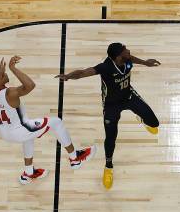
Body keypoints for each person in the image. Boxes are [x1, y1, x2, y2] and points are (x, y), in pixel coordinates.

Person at [56, 43, 160, 190]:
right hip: (111, 105)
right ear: (118, 57)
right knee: (111, 138)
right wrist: (68, 76)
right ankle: (108, 166)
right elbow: (83, 72)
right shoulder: (106, 67)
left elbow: (132, 58)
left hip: (129, 96)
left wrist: (146, 63)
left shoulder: (127, 59)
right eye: (125, 51)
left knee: (155, 124)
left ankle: (142, 118)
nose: (128, 51)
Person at [0, 56, 95, 185]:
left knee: (28, 137)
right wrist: (13, 68)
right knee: (56, 122)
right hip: (20, 129)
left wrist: (0, 75)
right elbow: (30, 85)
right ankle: (75, 158)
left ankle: (28, 173)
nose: (5, 73)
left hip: (5, 132)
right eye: (2, 73)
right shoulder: (10, 93)